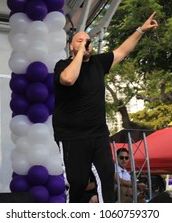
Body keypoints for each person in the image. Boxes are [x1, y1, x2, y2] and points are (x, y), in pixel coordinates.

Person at [53, 12, 158, 203]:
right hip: (71, 136)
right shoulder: (62, 66)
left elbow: (121, 52)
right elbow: (68, 79)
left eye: (88, 41)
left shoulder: (98, 63)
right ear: (71, 46)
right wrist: (79, 54)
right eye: (80, 40)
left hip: (98, 134)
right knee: (76, 182)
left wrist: (140, 30)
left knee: (106, 176)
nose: (86, 43)